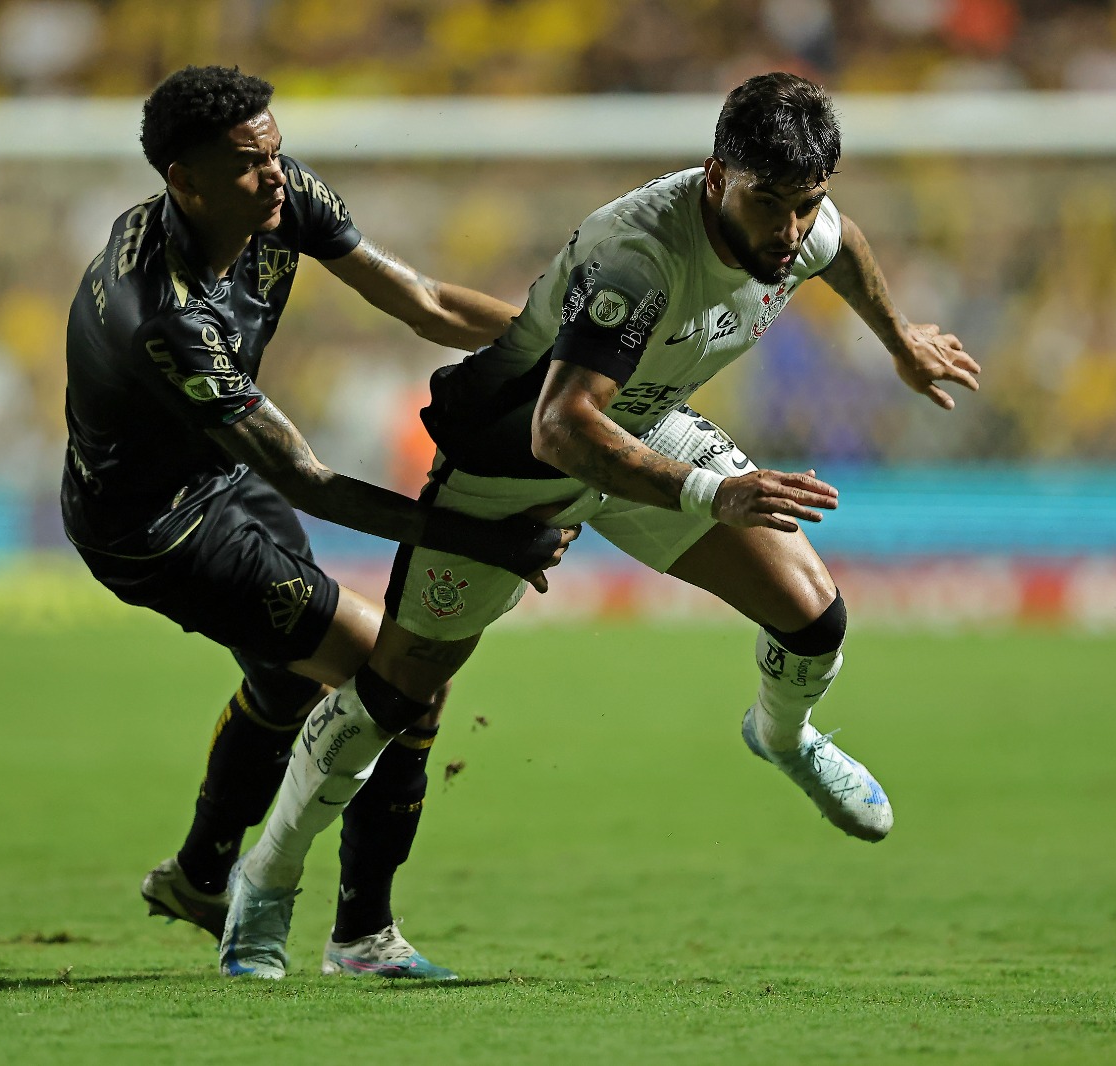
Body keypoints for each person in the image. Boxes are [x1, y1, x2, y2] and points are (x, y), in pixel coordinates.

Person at [218, 72, 980, 978]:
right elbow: (559, 425)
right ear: (714, 177)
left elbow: (841, 242)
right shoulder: (640, 258)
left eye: (802, 202)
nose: (786, 231)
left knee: (814, 618)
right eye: (766, 202)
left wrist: (899, 341)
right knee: (396, 695)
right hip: (516, 463)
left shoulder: (801, 222)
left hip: (640, 426)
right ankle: (264, 882)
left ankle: (782, 735)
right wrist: (709, 494)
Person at [61, 65, 574, 980]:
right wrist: (488, 539)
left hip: (220, 477)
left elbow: (421, 301)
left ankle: (198, 879)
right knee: (400, 674)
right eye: (251, 163)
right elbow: (307, 478)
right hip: (156, 530)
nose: (276, 175)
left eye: (277, 151)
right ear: (184, 179)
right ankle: (362, 938)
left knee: (292, 678)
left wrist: (561, 352)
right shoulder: (159, 313)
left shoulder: (281, 199)